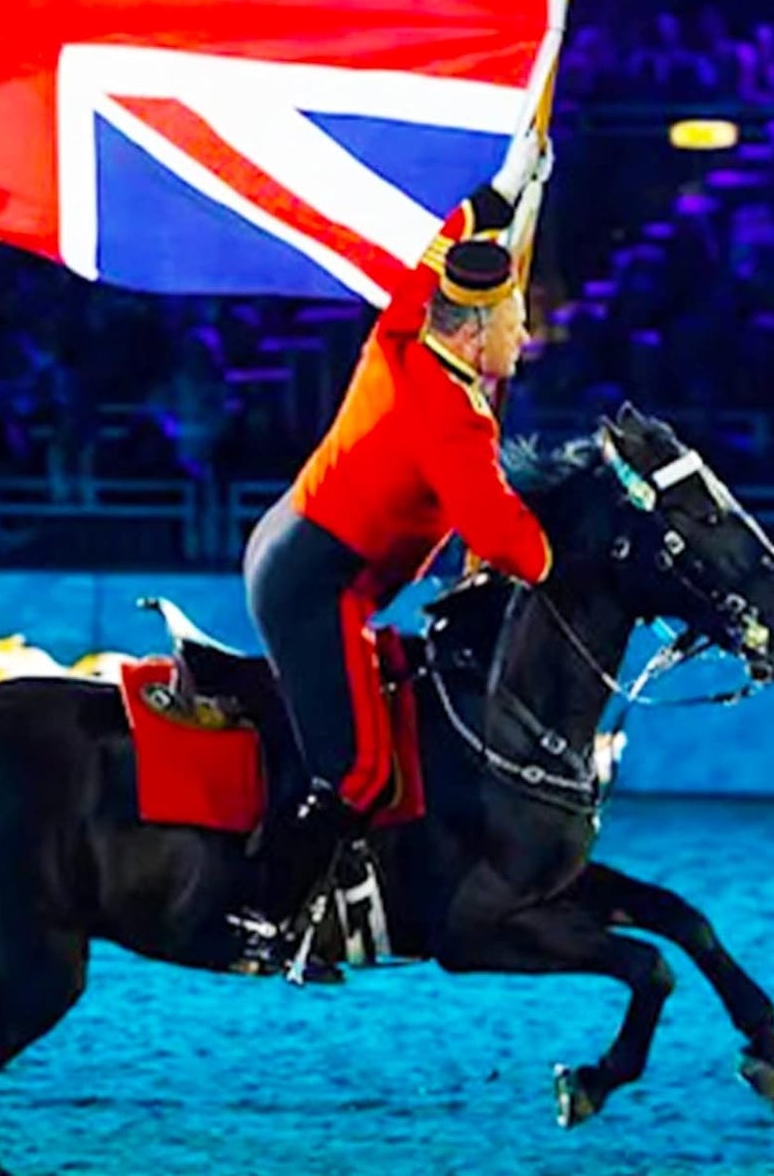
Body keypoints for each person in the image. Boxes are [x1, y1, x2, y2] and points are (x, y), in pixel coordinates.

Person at [233, 136, 556, 973]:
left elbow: (439, 244)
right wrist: (564, 551)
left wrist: (503, 193)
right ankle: (265, 920)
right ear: (475, 330)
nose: (524, 336)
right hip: (316, 586)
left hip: (298, 547)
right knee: (357, 771)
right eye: (515, 321)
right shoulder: (448, 421)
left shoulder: (406, 322)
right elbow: (508, 542)